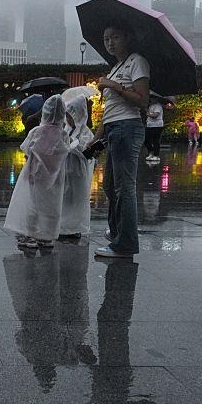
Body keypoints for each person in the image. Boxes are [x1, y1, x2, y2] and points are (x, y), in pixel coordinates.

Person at [93, 22, 150, 259]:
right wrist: (96, 137)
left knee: (124, 188)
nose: (110, 42)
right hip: (115, 128)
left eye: (115, 37)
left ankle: (124, 244)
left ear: (127, 37)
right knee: (109, 186)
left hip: (128, 127)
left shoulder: (137, 61)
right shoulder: (117, 66)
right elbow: (110, 110)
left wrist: (112, 85)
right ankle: (117, 232)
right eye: (106, 38)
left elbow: (142, 100)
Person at [4, 95, 71, 250]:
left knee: (33, 204)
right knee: (52, 205)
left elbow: (27, 150)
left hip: (36, 175)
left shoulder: (37, 132)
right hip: (56, 177)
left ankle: (30, 235)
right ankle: (47, 236)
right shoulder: (63, 134)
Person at [58, 95, 95, 240]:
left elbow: (85, 151)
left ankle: (75, 226)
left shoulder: (86, 133)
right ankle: (63, 225)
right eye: (67, 116)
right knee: (65, 198)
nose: (69, 119)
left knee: (77, 199)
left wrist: (74, 143)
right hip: (65, 168)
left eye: (71, 116)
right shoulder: (66, 129)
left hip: (78, 171)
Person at [143, 96, 164, 162]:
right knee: (146, 140)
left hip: (157, 125)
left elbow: (156, 115)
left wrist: (148, 114)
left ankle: (156, 155)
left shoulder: (158, 106)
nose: (151, 99)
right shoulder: (151, 106)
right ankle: (151, 152)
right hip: (150, 125)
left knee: (155, 140)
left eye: (153, 98)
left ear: (156, 99)